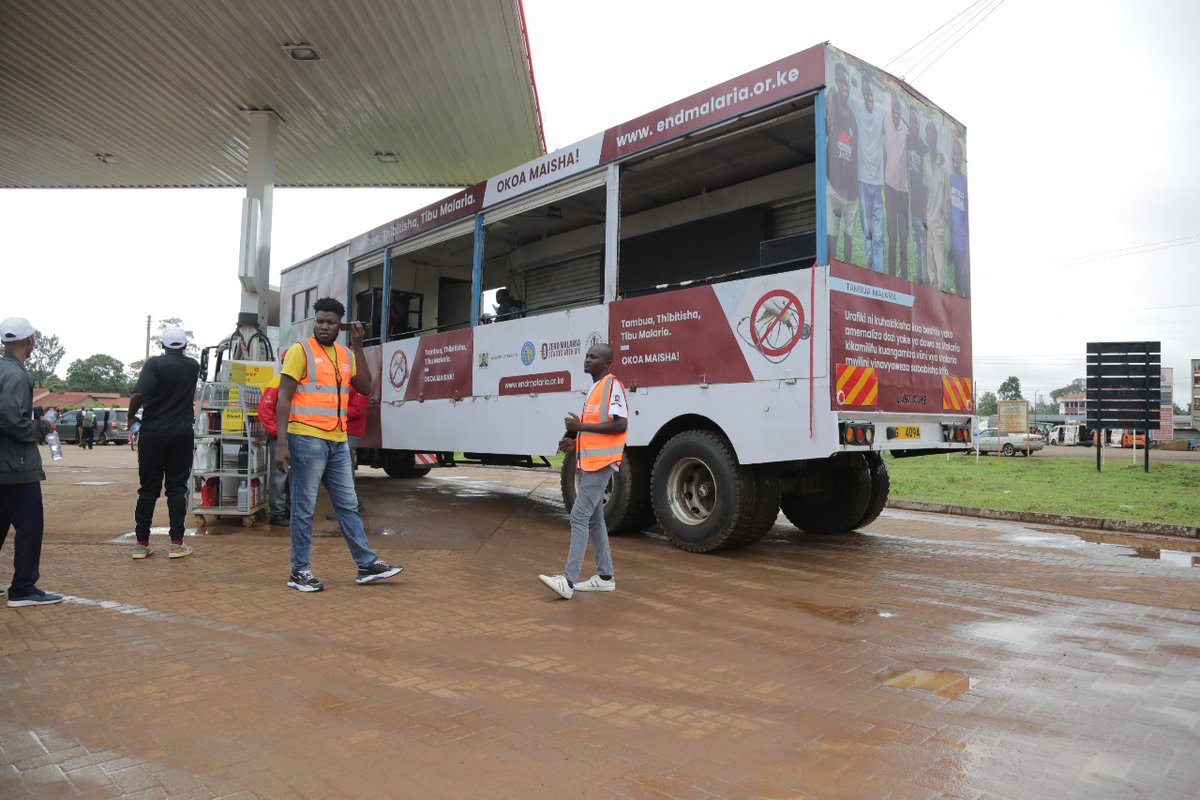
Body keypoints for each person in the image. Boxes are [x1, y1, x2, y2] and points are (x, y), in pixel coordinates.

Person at [275, 297, 402, 593]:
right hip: (306, 438)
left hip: (337, 440)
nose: (323, 326)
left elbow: (365, 387)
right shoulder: (300, 350)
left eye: (330, 322)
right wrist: (282, 442)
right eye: (319, 320)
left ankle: (366, 565)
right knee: (304, 509)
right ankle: (299, 571)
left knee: (348, 505)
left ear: (340, 326)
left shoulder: (346, 354)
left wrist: (358, 347)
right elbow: (284, 397)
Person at [538, 343, 628, 600]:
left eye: (594, 357)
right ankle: (605, 576)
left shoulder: (612, 385)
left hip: (601, 464)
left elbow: (620, 425)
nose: (587, 360)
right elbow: (594, 429)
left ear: (607, 363)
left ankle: (568, 580)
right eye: (587, 356)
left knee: (578, 516)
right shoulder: (595, 388)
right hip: (589, 462)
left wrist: (580, 426)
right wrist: (575, 440)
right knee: (594, 518)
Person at [0, 317, 63, 607]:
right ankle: (23, 587)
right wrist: (42, 427)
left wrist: (34, 413)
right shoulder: (16, 374)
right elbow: (10, 419)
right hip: (17, 465)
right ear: (28, 341)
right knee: (29, 525)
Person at [126, 326, 201, 559]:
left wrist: (131, 416)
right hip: (181, 434)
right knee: (177, 488)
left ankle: (141, 543)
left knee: (148, 489)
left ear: (163, 345)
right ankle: (176, 543)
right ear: (185, 346)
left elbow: (139, 394)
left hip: (153, 434)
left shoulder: (154, 364)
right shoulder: (193, 366)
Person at [848, 69, 886, 271]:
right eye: (866, 93)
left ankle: (878, 272)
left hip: (877, 182)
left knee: (879, 232)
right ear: (862, 94)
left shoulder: (881, 111)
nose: (869, 97)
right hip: (863, 180)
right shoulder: (857, 105)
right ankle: (870, 270)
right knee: (868, 230)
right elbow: (840, 92)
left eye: (871, 93)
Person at [825, 61, 859, 262]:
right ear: (837, 84)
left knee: (849, 238)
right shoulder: (831, 106)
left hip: (851, 194)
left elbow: (854, 154)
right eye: (841, 83)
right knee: (832, 235)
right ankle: (832, 271)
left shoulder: (853, 118)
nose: (845, 88)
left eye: (847, 84)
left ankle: (845, 272)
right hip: (833, 188)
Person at [325, 384, 367, 519]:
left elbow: (357, 410)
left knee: (345, 471)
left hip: (350, 431)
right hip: (345, 430)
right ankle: (355, 503)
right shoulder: (349, 385)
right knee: (345, 470)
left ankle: (348, 507)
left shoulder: (361, 387)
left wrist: (334, 411)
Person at [257, 357, 290, 527]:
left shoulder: (297, 381)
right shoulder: (278, 381)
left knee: (290, 476)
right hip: (281, 437)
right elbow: (264, 409)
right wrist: (277, 433)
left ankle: (288, 511)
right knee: (279, 475)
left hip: (294, 435)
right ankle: (277, 513)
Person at [883, 90, 910, 280]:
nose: (896, 112)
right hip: (889, 187)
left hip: (903, 191)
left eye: (898, 109)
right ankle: (892, 277)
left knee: (903, 238)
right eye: (893, 108)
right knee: (891, 236)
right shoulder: (885, 120)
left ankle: (904, 277)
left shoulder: (906, 129)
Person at [922, 120, 950, 291]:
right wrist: (925, 216)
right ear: (926, 137)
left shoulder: (943, 166)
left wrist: (944, 220)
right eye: (928, 134)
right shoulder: (925, 160)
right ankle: (932, 293)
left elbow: (947, 199)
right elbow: (925, 189)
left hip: (939, 221)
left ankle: (942, 293)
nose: (930, 138)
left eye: (933, 134)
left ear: (936, 137)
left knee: (940, 261)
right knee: (930, 260)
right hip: (928, 219)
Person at [905, 105, 929, 285]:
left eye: (916, 121)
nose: (914, 124)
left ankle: (924, 280)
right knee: (915, 246)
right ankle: (919, 279)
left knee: (924, 248)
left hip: (922, 207)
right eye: (911, 120)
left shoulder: (923, 148)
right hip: (909, 205)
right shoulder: (906, 141)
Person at [949, 137, 970, 297]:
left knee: (964, 289)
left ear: (961, 158)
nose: (955, 158)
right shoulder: (949, 179)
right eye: (953, 154)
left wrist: (966, 259)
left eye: (957, 155)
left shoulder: (965, 183)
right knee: (957, 284)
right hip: (953, 243)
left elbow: (968, 219)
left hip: (963, 246)